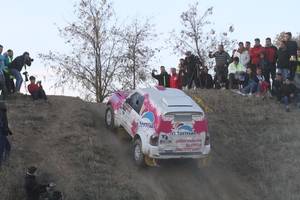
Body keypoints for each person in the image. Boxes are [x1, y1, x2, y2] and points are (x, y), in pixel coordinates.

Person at [0, 102, 12, 167]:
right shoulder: (2, 112)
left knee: (8, 147)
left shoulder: (3, 112)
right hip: (1, 134)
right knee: (1, 150)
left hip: (2, 133)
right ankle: (2, 163)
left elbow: (4, 123)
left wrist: (8, 130)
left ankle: (5, 160)